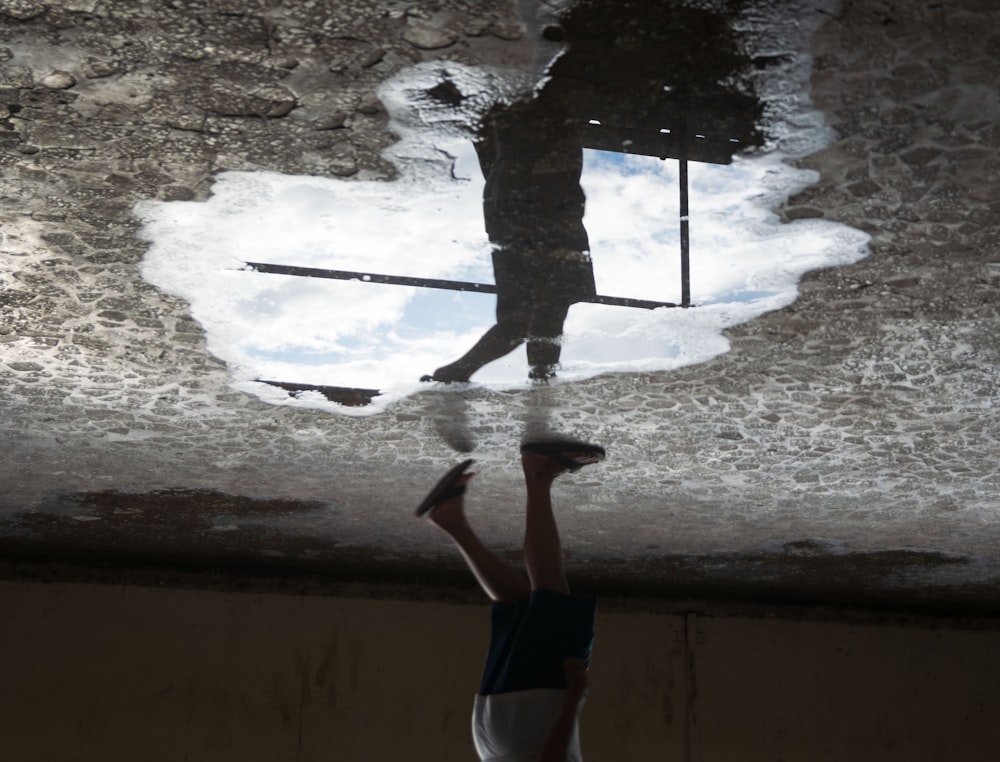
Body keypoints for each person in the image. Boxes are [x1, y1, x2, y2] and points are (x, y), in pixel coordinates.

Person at [415, 440, 606, 761]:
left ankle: (540, 471)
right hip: (493, 735)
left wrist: (574, 699)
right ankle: (452, 519)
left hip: (530, 719)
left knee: (552, 596)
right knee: (520, 606)